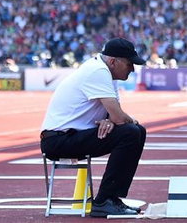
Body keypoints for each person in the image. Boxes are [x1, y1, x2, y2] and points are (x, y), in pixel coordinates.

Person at [39, 38, 147, 218]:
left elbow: (114, 117)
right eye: (129, 64)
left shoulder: (105, 72)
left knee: (136, 132)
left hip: (72, 135)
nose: (132, 69)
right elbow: (120, 118)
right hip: (58, 140)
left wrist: (111, 120)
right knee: (131, 132)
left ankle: (111, 198)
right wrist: (121, 119)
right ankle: (105, 201)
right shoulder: (97, 71)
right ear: (113, 61)